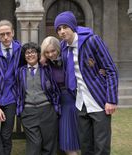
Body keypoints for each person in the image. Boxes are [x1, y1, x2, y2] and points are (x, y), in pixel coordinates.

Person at [54, 11, 118, 155]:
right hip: (80, 103)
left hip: (99, 101)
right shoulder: (63, 47)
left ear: (73, 26)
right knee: (85, 144)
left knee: (101, 147)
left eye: (65, 27)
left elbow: (111, 70)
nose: (62, 31)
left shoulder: (92, 41)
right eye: (58, 29)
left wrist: (111, 100)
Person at [16, 42, 60, 155]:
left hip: (47, 110)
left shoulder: (46, 69)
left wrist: (56, 108)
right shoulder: (20, 72)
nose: (30, 55)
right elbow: (17, 92)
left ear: (38, 54)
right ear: (24, 56)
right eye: (27, 53)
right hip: (28, 112)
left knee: (49, 145)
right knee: (34, 145)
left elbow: (55, 89)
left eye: (33, 52)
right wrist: (20, 110)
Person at [0, 20, 22, 155]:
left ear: (13, 33)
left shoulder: (20, 50)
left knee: (6, 135)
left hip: (11, 98)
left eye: (8, 33)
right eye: (2, 34)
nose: (5, 37)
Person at [41, 36, 80, 155]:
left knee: (81, 135)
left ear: (58, 49)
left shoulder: (68, 59)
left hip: (75, 99)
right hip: (61, 103)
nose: (51, 54)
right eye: (47, 52)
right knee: (67, 138)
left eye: (53, 51)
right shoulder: (46, 65)